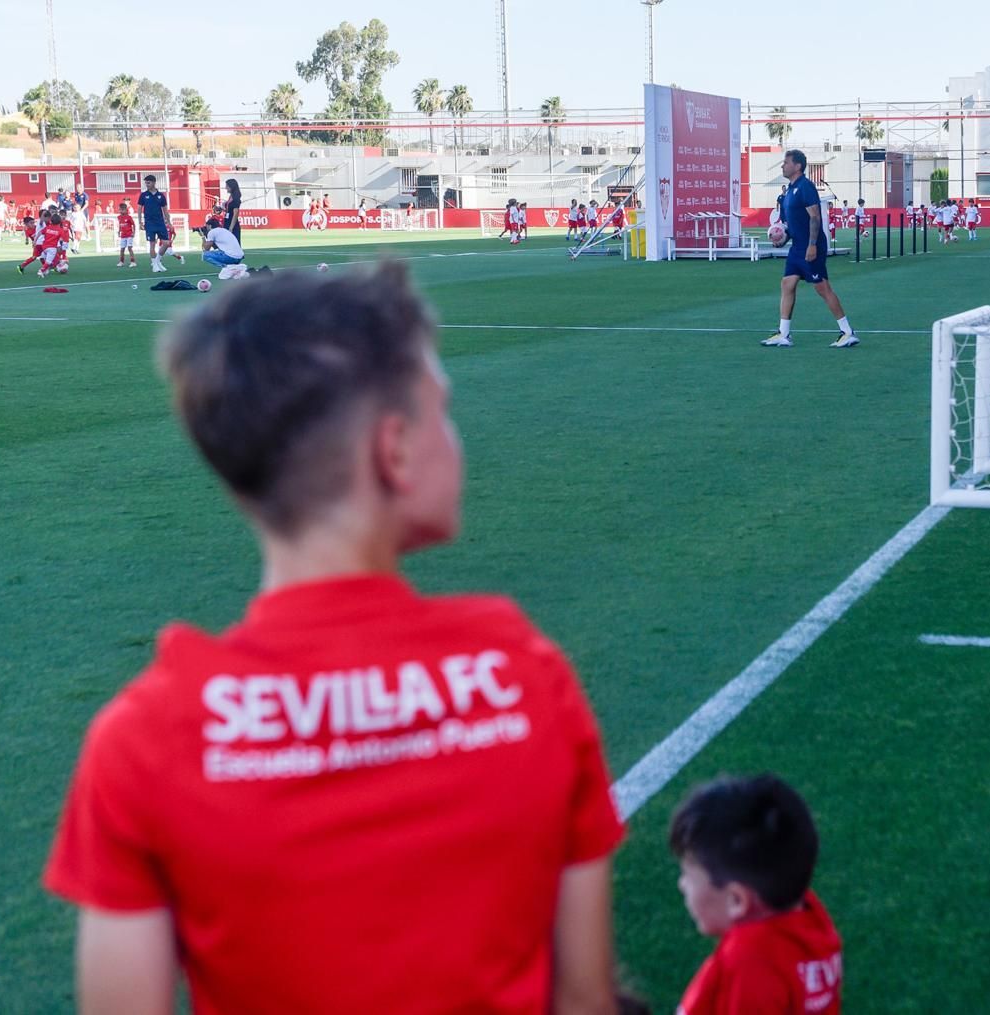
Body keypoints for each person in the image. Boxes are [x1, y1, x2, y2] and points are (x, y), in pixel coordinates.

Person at [42, 262, 625, 1014]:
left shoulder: (143, 740)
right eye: (441, 410)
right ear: (395, 451)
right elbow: (584, 1000)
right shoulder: (524, 677)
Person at [670, 775, 842, 1015]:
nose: (682, 885)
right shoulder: (810, 918)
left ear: (736, 901)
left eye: (687, 875)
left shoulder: (749, 965)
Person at [763, 149, 857, 349]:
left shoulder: (806, 187)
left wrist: (812, 245)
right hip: (797, 247)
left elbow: (815, 217)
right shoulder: (789, 190)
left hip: (810, 246)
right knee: (787, 284)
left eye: (786, 162)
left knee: (822, 288)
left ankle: (847, 332)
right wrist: (783, 238)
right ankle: (784, 334)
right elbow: (791, 223)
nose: (782, 166)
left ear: (797, 166)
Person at [138, 174, 182, 273]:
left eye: (148, 182)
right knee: (152, 244)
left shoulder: (161, 196)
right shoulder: (143, 195)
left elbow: (165, 210)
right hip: (149, 223)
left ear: (154, 182)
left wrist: (169, 223)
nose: (147, 184)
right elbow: (140, 208)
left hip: (160, 223)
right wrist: (140, 221)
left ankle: (157, 262)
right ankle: (154, 265)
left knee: (166, 243)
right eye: (146, 183)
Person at [115, 201, 137, 268]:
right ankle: (121, 262)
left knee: (129, 248)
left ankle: (133, 262)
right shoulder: (119, 217)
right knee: (122, 249)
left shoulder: (129, 217)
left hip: (129, 235)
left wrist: (133, 232)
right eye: (119, 209)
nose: (120, 211)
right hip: (123, 236)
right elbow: (120, 225)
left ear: (125, 209)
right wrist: (119, 231)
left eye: (121, 209)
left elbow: (134, 225)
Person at [222, 178, 243, 245]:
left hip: (232, 224)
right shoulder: (231, 196)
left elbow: (235, 213)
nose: (225, 188)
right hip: (227, 221)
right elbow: (229, 210)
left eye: (227, 186)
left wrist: (231, 227)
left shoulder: (236, 198)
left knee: (234, 244)